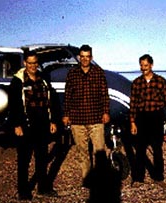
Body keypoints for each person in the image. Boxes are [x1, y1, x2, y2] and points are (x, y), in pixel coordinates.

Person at [9, 50, 60, 200]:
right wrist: (16, 124)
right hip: (26, 126)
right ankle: (23, 191)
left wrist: (53, 121)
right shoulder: (17, 81)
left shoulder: (43, 79)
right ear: (25, 63)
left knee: (42, 159)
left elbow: (51, 101)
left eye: (35, 63)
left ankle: (43, 188)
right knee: (24, 161)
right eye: (30, 63)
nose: (33, 66)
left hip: (42, 125)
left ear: (38, 63)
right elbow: (13, 105)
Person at [62, 44, 110, 184]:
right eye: (82, 57)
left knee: (99, 151)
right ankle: (87, 179)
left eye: (87, 57)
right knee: (82, 152)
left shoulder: (98, 72)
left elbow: (104, 94)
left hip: (96, 119)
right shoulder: (72, 73)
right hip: (77, 119)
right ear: (78, 57)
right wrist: (66, 114)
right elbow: (67, 96)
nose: (84, 59)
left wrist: (106, 112)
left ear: (91, 57)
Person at [129, 54, 166, 188]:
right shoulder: (136, 82)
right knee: (140, 150)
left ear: (151, 65)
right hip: (141, 118)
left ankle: (159, 177)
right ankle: (138, 178)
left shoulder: (160, 81)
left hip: (156, 118)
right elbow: (133, 103)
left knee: (157, 149)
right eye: (141, 65)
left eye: (146, 65)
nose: (143, 68)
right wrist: (132, 122)